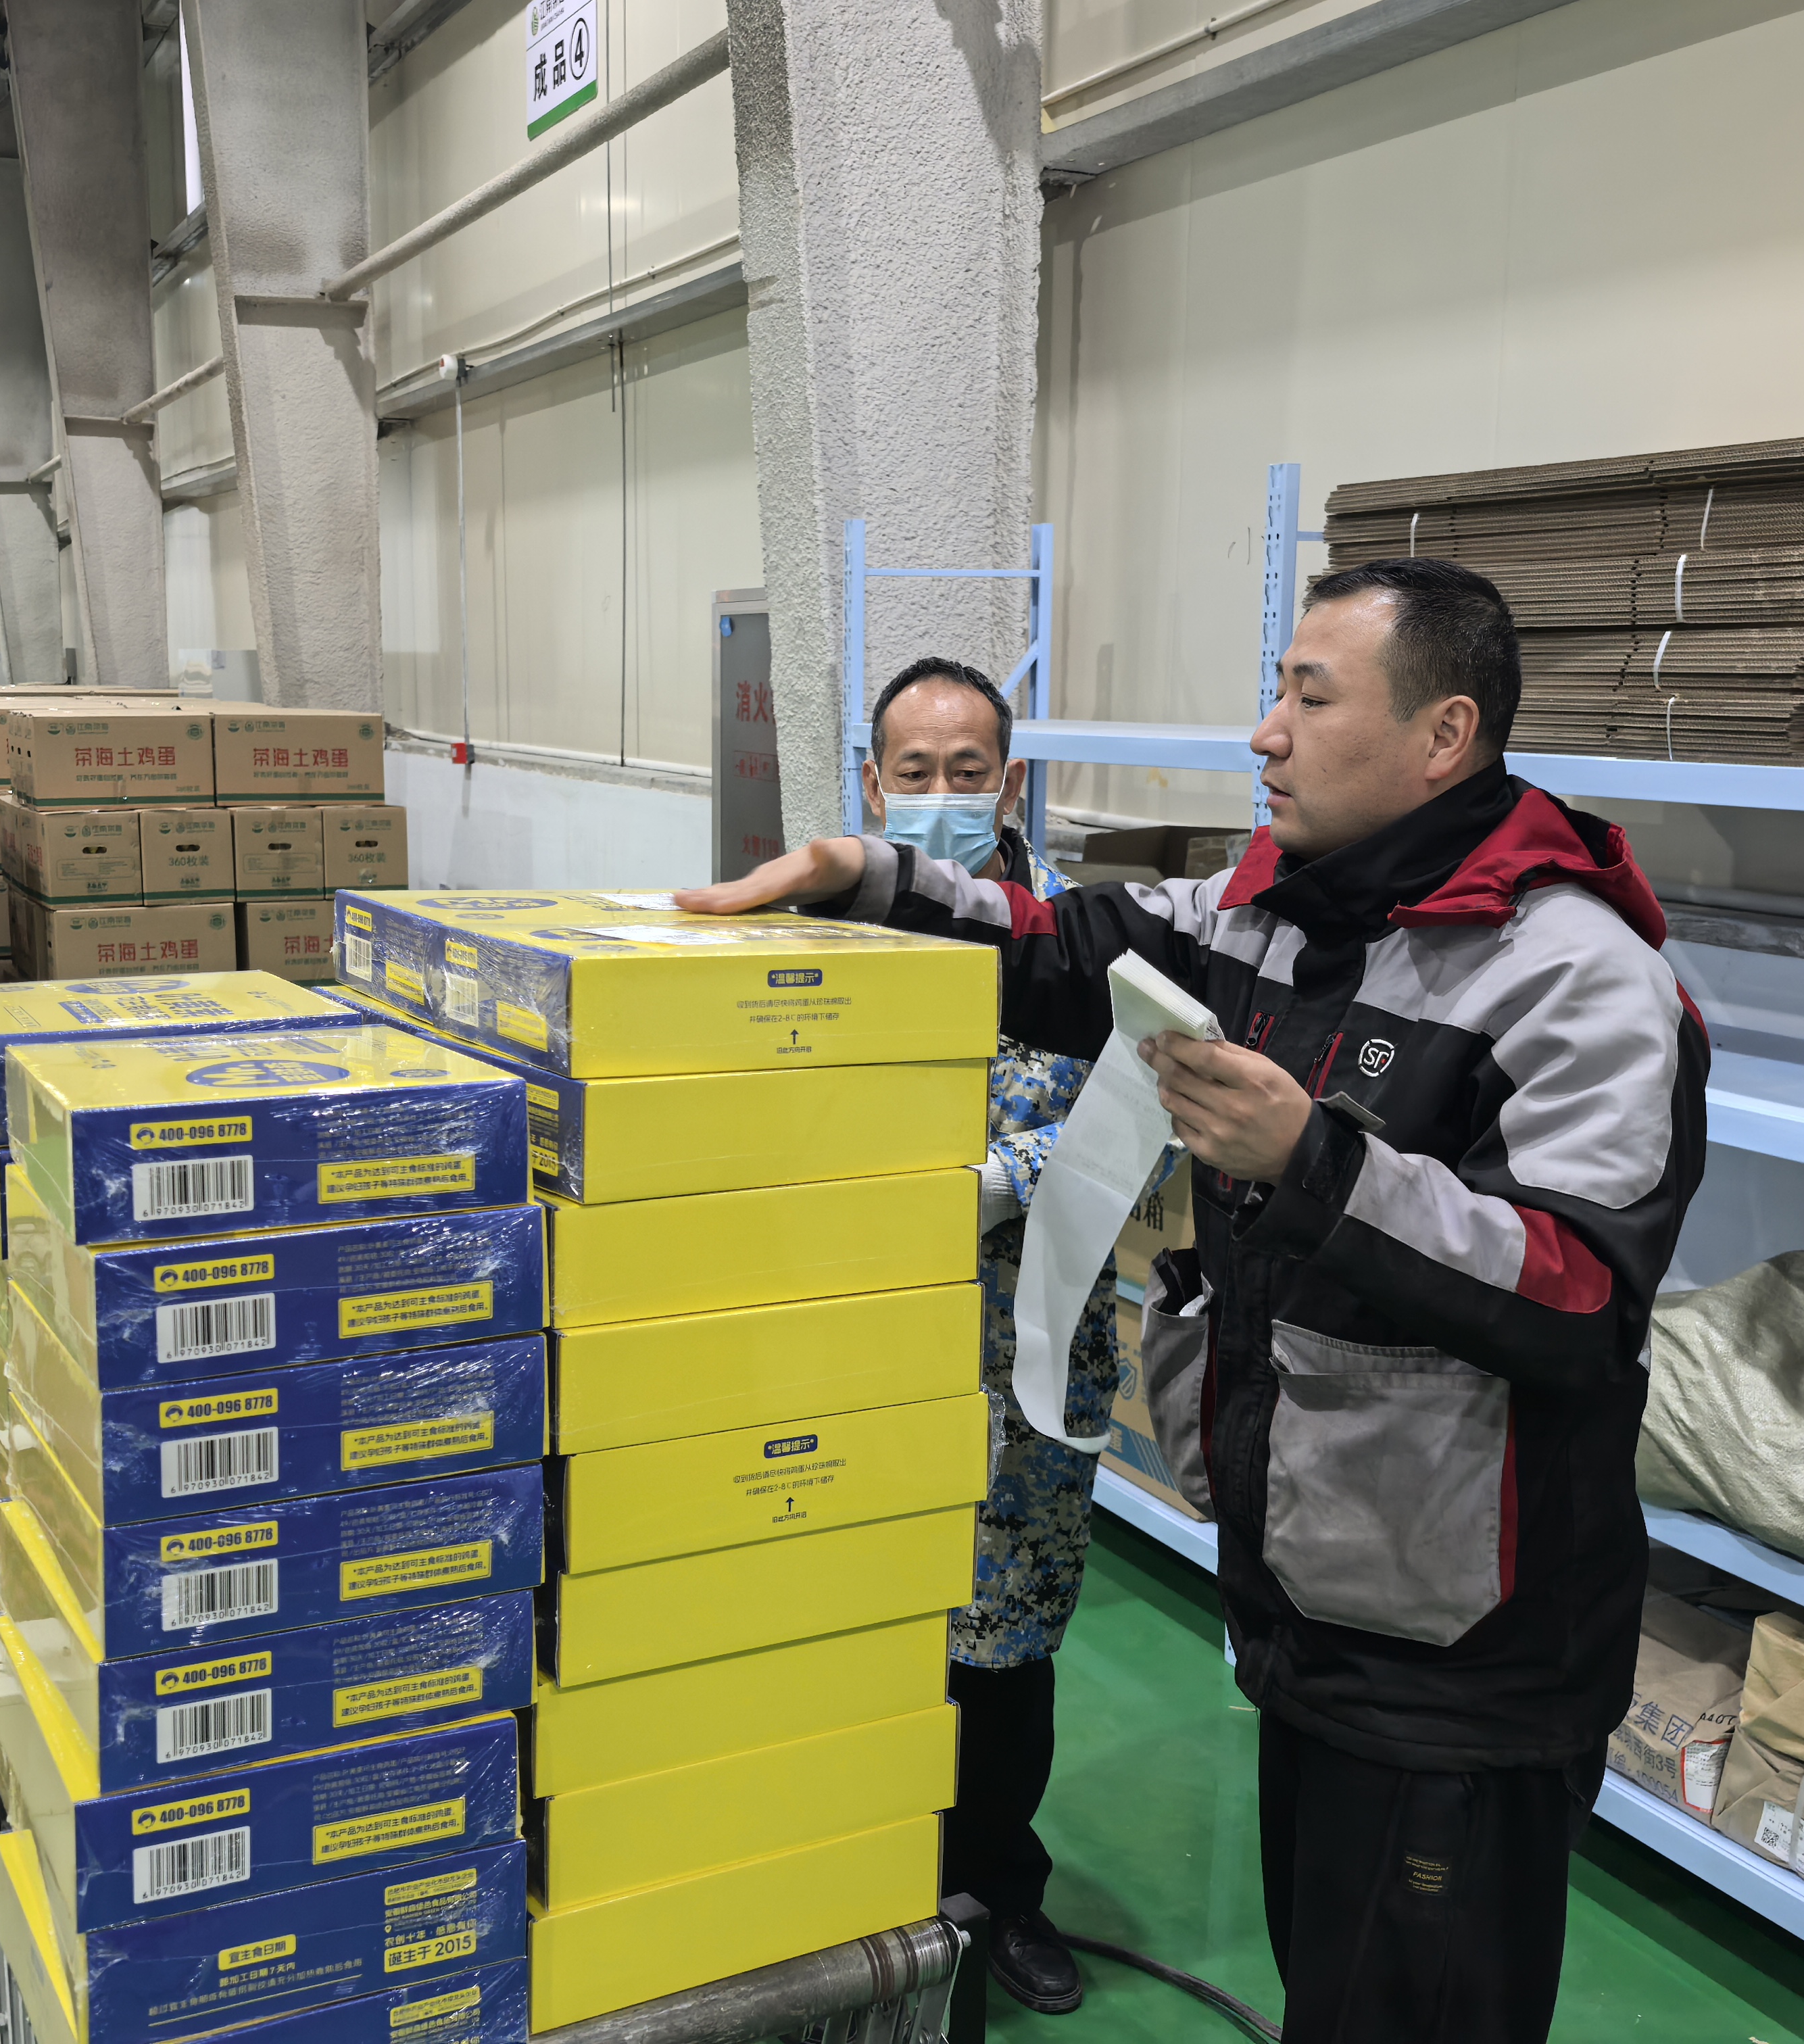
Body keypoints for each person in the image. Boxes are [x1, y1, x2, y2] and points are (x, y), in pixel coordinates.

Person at [681, 560, 1708, 2043]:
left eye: (1309, 698)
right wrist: (870, 880)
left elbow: (1581, 1295)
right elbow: (1064, 947)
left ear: (1443, 735)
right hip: (1311, 1594)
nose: (1265, 733)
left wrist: (1313, 1162)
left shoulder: (1576, 981)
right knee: (1336, 1990)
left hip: (1458, 1651)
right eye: (1274, 692)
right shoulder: (1271, 914)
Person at [861, 655, 1169, 2017]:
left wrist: (1001, 1179)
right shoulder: (826, 939)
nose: (941, 792)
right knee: (862, 1632)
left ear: (1010, 782)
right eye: (913, 771)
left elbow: (1151, 1125)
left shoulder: (1086, 944)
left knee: (1004, 1647)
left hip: (1026, 1359)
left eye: (966, 771)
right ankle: (865, 1886)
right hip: (866, 1354)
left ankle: (997, 1892)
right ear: (873, 785)